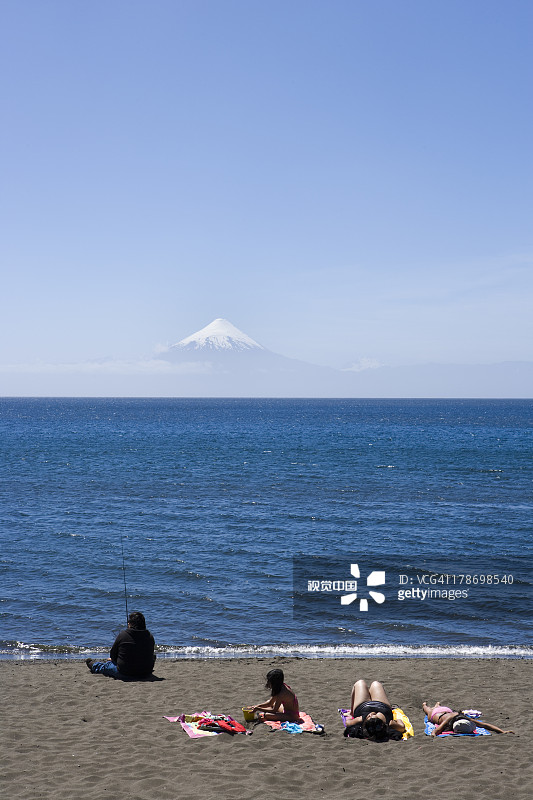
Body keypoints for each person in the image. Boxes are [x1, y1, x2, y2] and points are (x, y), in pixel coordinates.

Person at [86, 611, 156, 679]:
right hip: (146, 672)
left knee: (107, 666)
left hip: (125, 672)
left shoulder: (123, 635)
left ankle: (94, 666)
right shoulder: (149, 636)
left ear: (130, 624)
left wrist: (115, 660)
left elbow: (113, 654)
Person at [422, 701, 515, 736]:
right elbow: (485, 725)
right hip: (436, 714)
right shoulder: (452, 720)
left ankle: (437, 705)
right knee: (427, 709)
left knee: (433, 708)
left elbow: (436, 731)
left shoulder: (461, 719)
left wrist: (503, 731)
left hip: (445, 712)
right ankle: (426, 704)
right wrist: (502, 731)